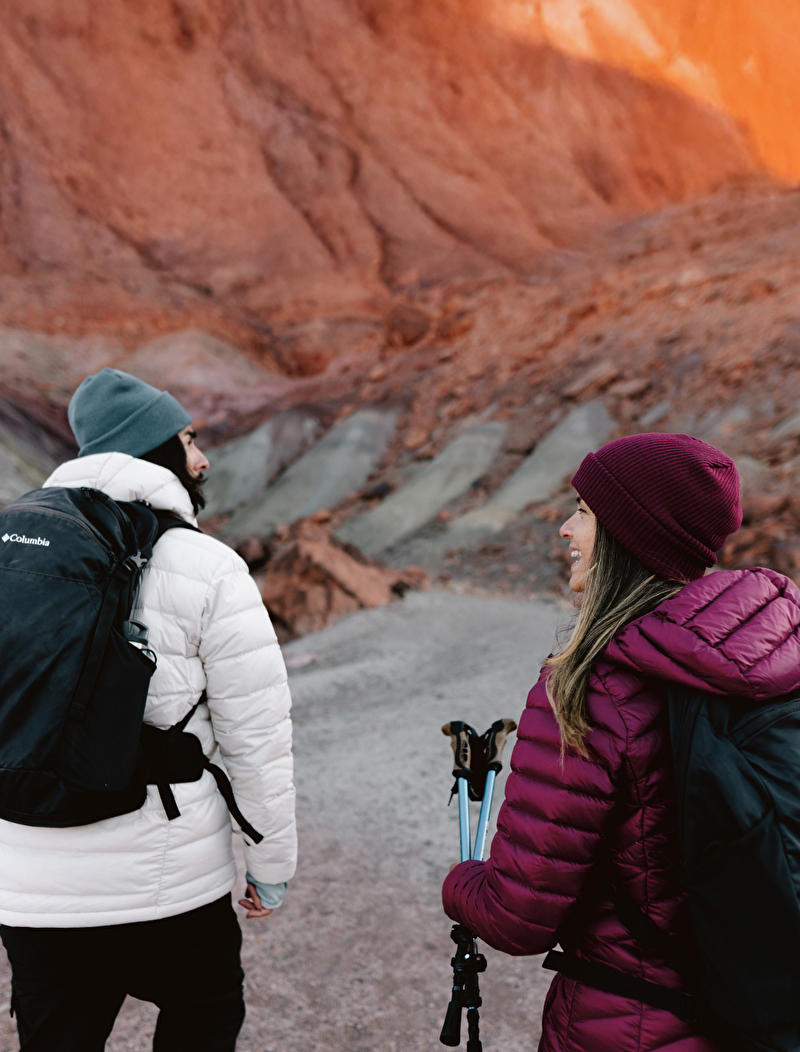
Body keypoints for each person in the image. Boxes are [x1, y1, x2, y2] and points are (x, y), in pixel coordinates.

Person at [442, 432, 800, 1052]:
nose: (565, 528)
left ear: (628, 536)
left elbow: (517, 916)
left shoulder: (591, 690)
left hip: (630, 1025)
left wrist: (459, 883)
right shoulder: (776, 664)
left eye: (583, 512)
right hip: (759, 1017)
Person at [0, 368, 297, 1051]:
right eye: (188, 440)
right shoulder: (208, 565)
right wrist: (270, 865)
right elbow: (256, 737)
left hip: (28, 886)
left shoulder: (14, 549)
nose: (203, 458)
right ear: (152, 449)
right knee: (204, 1018)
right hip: (165, 885)